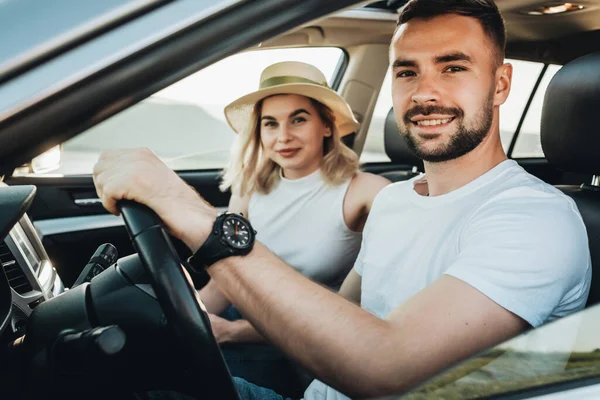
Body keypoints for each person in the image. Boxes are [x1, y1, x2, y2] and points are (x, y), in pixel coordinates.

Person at [93, 0, 592, 399]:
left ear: (501, 83)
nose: (424, 93)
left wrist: (190, 213)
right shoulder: (396, 201)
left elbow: (387, 368)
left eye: (453, 67)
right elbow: (341, 312)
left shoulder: (536, 218)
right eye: (406, 72)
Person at [199, 61, 390, 396]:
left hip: (306, 343)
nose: (283, 137)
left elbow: (355, 305)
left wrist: (231, 332)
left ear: (327, 126)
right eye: (270, 124)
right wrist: (190, 317)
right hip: (236, 325)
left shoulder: (364, 192)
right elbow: (225, 280)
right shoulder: (248, 189)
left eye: (298, 119)